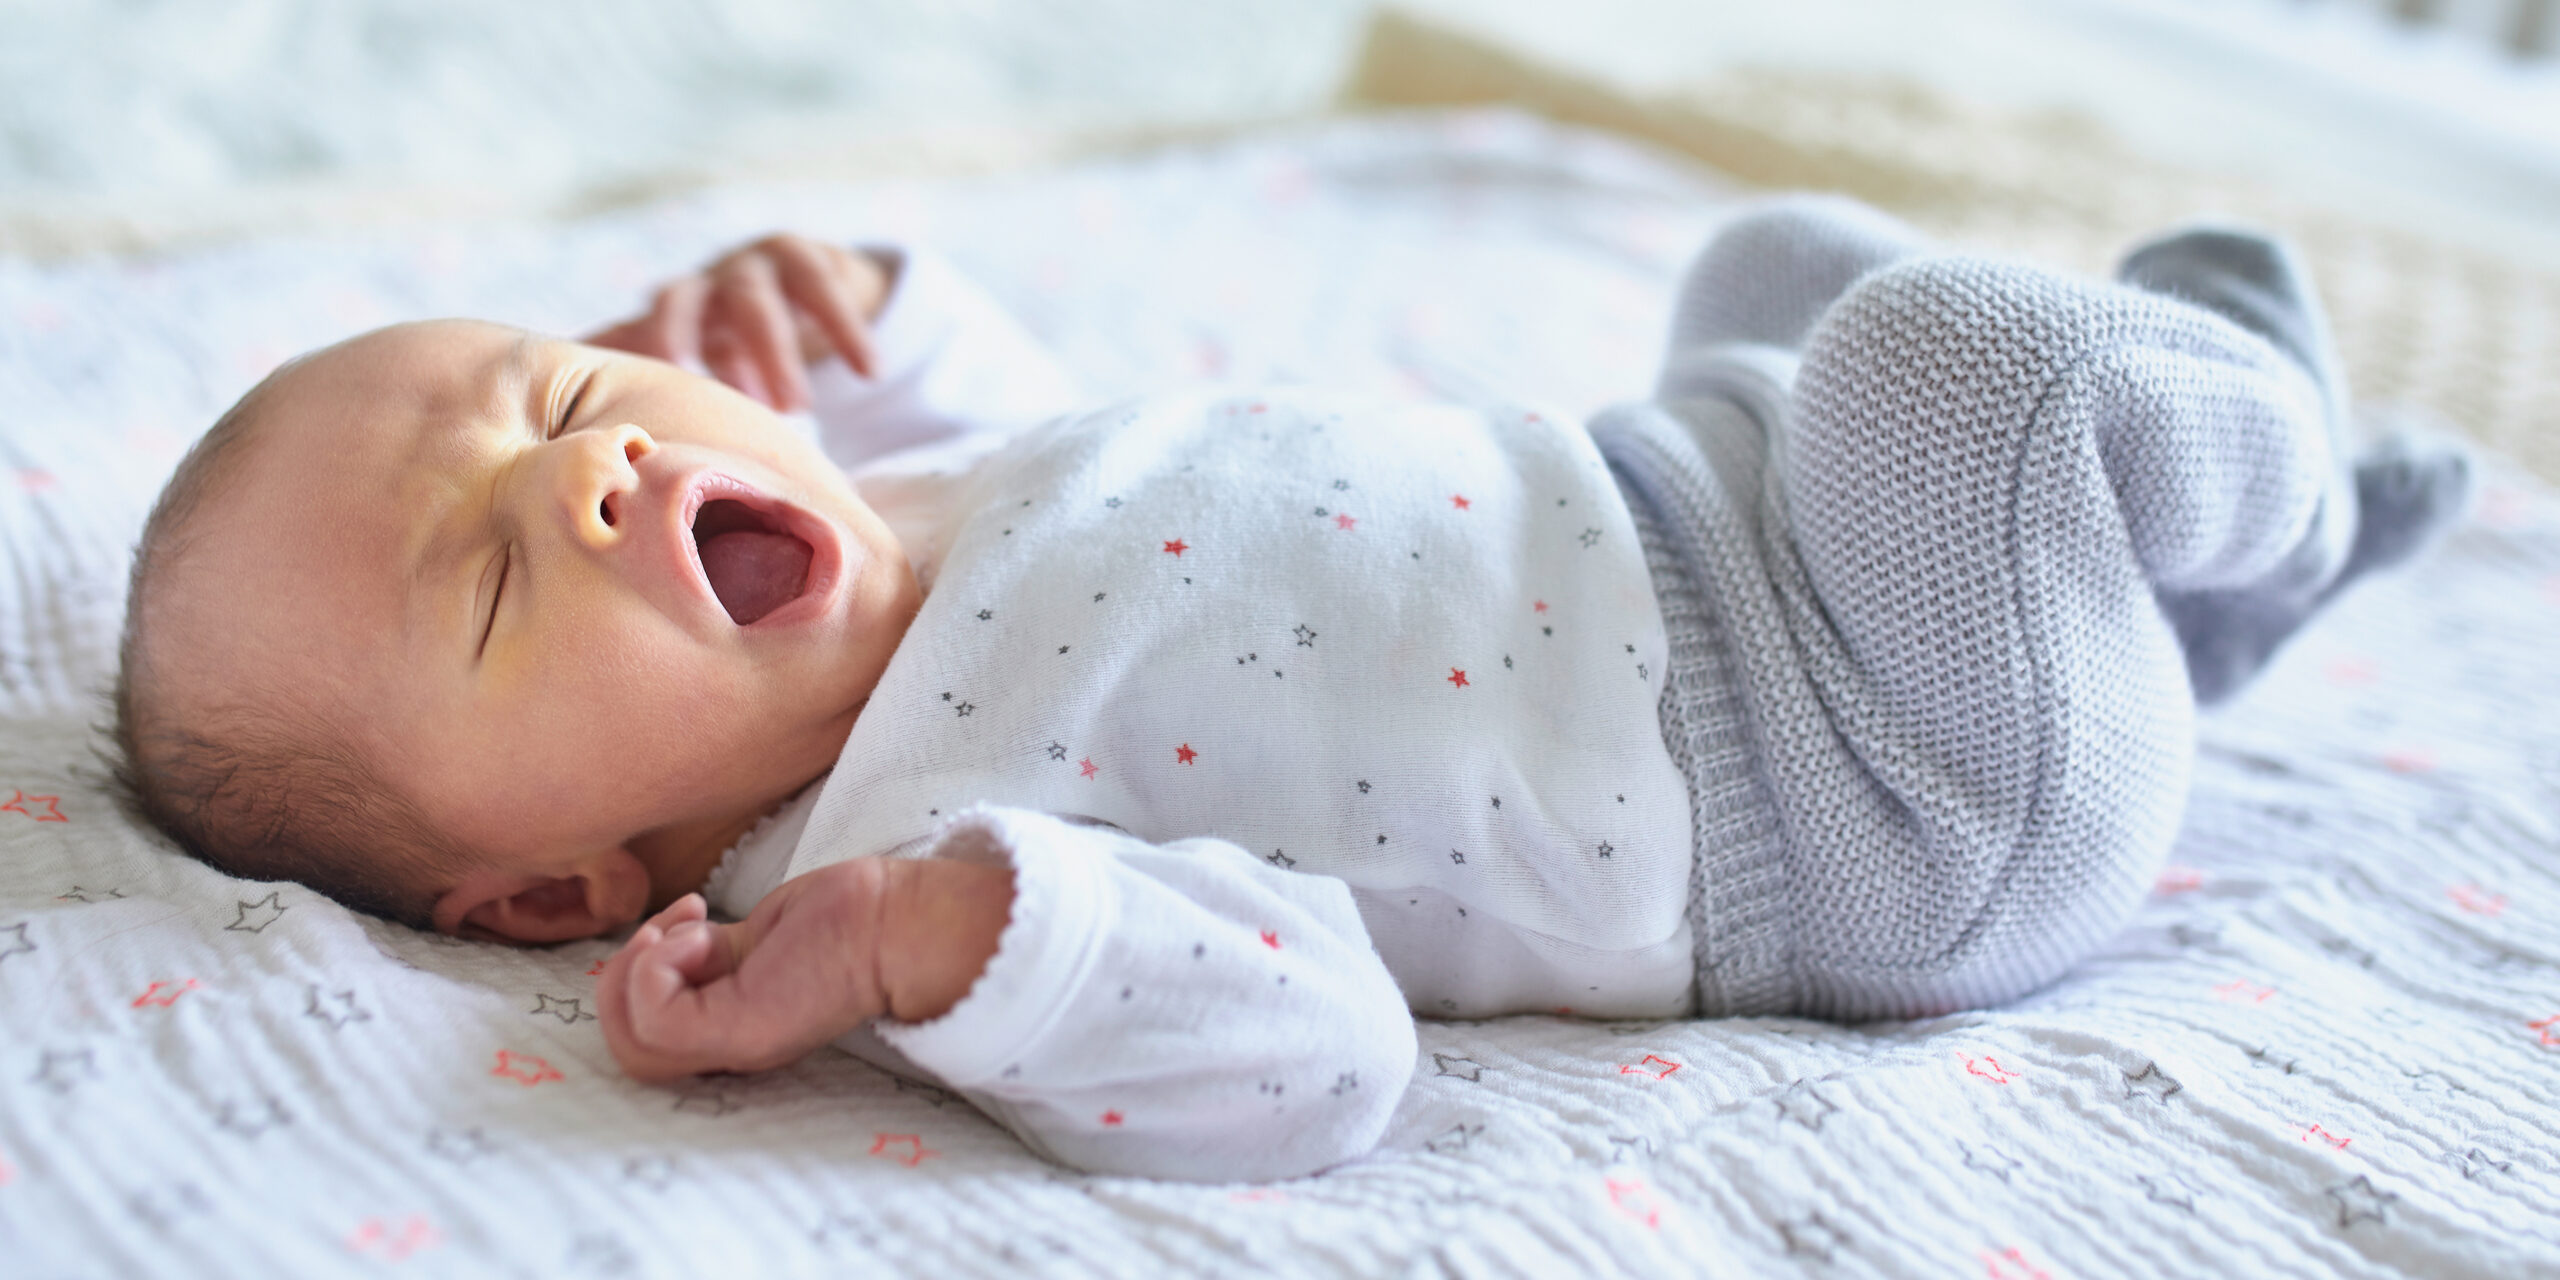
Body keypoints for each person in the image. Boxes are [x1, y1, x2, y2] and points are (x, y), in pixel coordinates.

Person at [109, 197, 2471, 1181]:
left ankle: (2182, 607)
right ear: (549, 892)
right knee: (1956, 370)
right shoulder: (904, 844)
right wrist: (944, 942)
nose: (597, 478)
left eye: (549, 395)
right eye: (495, 588)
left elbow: (1114, 458)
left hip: (1705, 505)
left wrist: (871, 309)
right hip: (1874, 785)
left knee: (1777, 262)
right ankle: (2254, 467)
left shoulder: (902, 515)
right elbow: (1312, 1059)